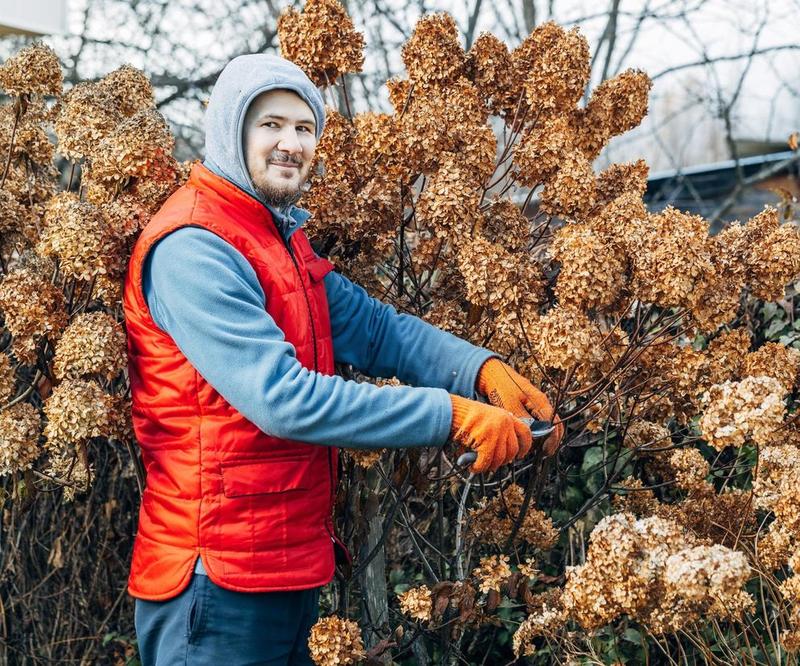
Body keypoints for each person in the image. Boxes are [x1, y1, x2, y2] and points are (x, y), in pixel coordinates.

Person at [123, 53, 563, 666]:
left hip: (279, 568)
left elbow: (377, 329)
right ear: (231, 129)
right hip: (213, 581)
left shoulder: (277, 242)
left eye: (305, 129)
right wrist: (449, 414)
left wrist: (481, 370)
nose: (291, 143)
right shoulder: (193, 248)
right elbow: (282, 400)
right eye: (271, 124)